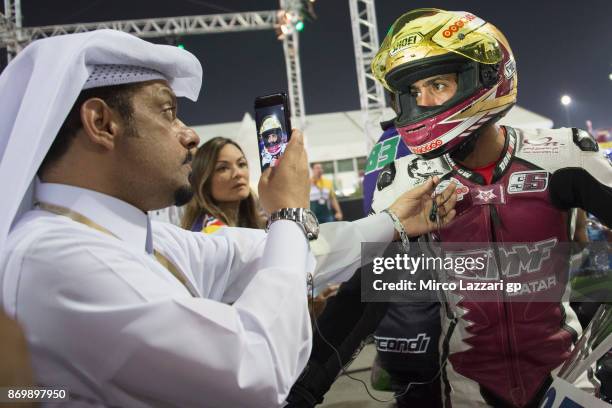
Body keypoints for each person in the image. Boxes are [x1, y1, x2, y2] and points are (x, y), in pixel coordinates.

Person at [0, 29, 458, 407]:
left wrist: (394, 220)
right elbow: (254, 371)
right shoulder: (60, 257)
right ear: (101, 123)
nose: (189, 136)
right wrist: (290, 212)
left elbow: (282, 254)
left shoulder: (142, 240)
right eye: (168, 112)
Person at [286, 8, 612, 408]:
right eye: (413, 91)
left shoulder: (563, 154)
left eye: (437, 83)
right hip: (463, 394)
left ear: (487, 75)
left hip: (569, 385)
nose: (423, 102)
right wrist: (300, 392)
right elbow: (363, 299)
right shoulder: (405, 183)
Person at [181, 136, 265, 233]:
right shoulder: (210, 233)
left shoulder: (257, 220)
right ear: (203, 180)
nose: (238, 173)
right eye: (223, 168)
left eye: (241, 164)